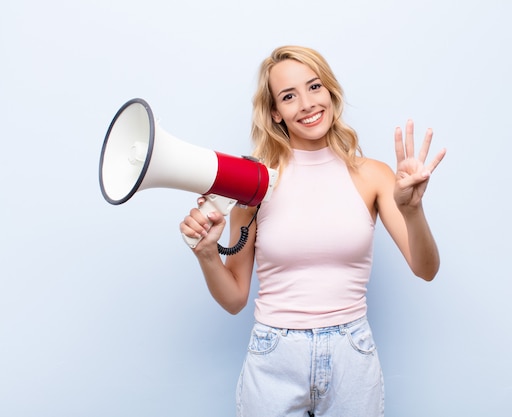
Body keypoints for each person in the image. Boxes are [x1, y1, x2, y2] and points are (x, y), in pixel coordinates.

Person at [180, 45, 446, 417]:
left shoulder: (373, 174)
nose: (306, 104)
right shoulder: (254, 182)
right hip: (274, 354)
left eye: (314, 87)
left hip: (351, 352)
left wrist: (413, 210)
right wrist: (208, 254)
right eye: (289, 96)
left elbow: (426, 269)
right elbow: (235, 299)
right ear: (275, 112)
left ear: (331, 92)